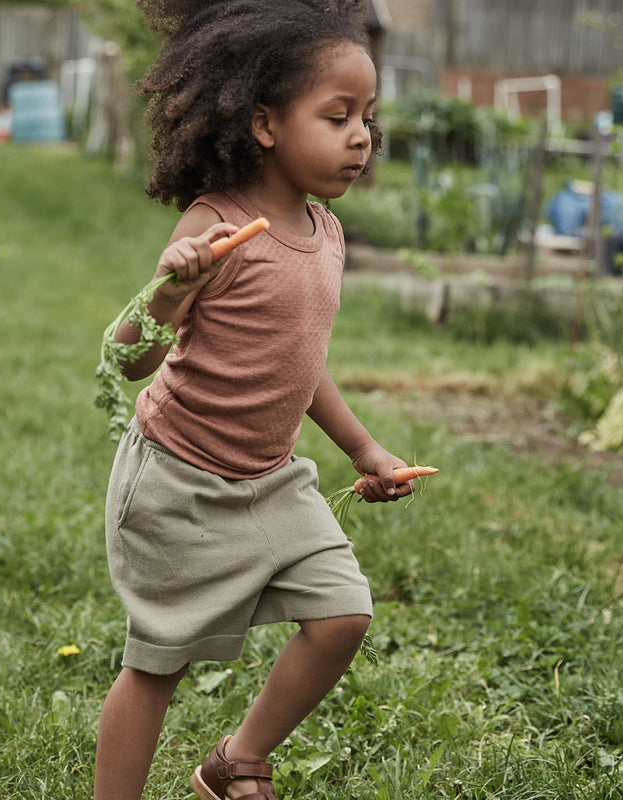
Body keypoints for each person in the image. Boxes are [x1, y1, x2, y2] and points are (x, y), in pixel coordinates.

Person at [94, 2, 416, 798]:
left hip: (270, 480)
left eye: (367, 118)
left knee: (342, 615)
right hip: (178, 483)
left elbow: (299, 364)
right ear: (266, 124)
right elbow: (128, 359)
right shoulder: (221, 226)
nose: (360, 137)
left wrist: (364, 449)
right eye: (336, 116)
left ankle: (237, 759)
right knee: (156, 667)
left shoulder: (327, 231)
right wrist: (172, 289)